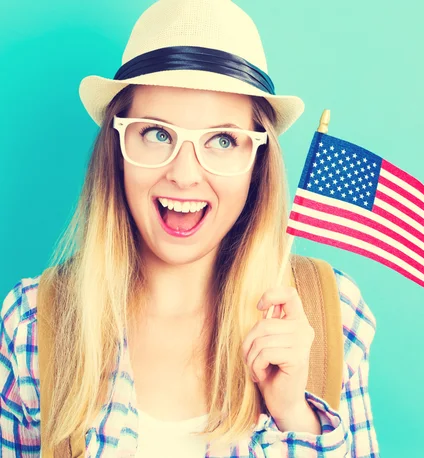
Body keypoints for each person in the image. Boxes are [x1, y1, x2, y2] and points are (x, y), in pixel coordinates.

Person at [0, 0, 379, 456]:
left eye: (222, 140)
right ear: (117, 149)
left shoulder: (330, 313)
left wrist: (294, 416)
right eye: (157, 133)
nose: (184, 174)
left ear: (257, 163)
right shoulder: (32, 321)